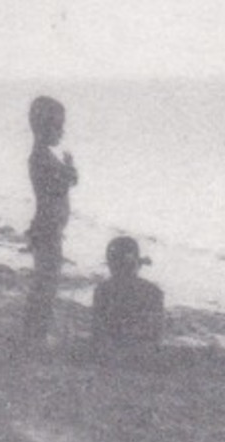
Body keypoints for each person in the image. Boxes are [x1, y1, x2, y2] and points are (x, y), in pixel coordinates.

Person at [20, 95, 78, 348]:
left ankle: (36, 333)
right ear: (43, 128)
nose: (62, 132)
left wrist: (68, 169)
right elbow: (57, 187)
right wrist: (68, 171)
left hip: (50, 227)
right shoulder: (40, 158)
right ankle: (35, 336)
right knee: (46, 283)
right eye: (58, 126)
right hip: (47, 228)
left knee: (46, 282)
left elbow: (67, 181)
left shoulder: (46, 157)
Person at [92, 235, 165, 363]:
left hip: (110, 355)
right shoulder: (153, 292)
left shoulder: (102, 290)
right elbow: (155, 335)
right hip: (143, 357)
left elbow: (98, 331)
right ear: (136, 265)